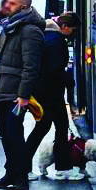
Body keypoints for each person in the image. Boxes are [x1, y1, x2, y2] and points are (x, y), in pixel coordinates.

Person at [0, 0, 44, 190]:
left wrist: (24, 95)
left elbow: (31, 66)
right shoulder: (10, 26)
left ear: (24, 7)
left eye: (12, 3)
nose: (7, 6)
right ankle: (11, 174)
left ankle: (21, 180)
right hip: (4, 90)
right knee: (6, 134)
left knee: (15, 135)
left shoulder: (30, 30)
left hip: (16, 94)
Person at [25, 11, 79, 179]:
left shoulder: (47, 36)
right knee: (60, 128)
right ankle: (63, 168)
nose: (73, 34)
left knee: (43, 127)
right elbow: (54, 69)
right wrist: (68, 80)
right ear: (64, 26)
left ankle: (22, 167)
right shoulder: (57, 41)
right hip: (50, 92)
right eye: (73, 30)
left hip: (41, 90)